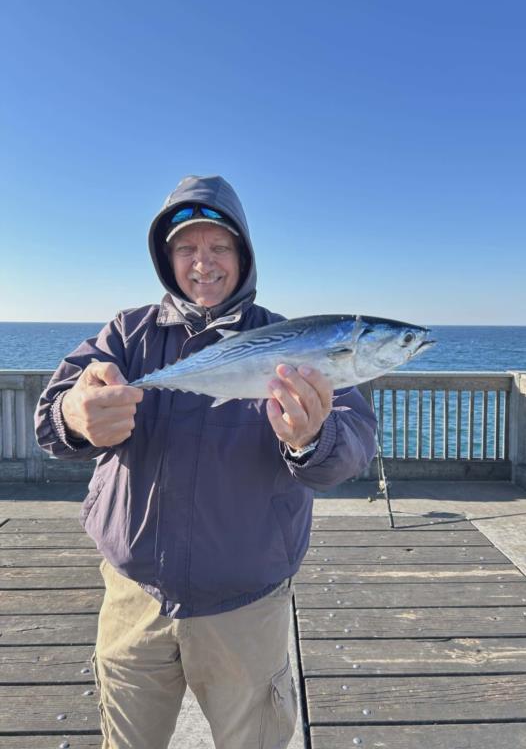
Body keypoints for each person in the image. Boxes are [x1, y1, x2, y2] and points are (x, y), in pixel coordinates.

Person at [34, 174, 377, 749]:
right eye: (186, 249)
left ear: (243, 256)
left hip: (246, 607)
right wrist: (75, 415)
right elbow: (51, 415)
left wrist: (311, 438)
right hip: (133, 599)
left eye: (219, 247)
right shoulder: (128, 334)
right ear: (167, 260)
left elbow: (354, 442)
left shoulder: (292, 339)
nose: (203, 263)